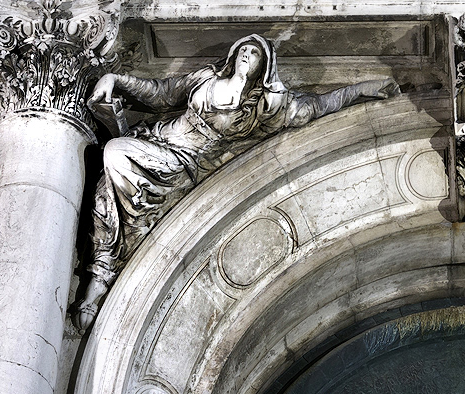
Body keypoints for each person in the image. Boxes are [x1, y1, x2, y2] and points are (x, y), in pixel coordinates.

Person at [73, 35, 397, 329]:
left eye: (253, 52)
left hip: (184, 166)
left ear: (264, 66)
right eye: (242, 49)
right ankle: (103, 267)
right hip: (158, 141)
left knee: (116, 156)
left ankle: (104, 270)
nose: (245, 54)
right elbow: (162, 93)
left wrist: (363, 89)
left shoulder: (267, 108)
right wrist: (116, 79)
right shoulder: (206, 79)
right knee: (114, 165)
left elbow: (321, 105)